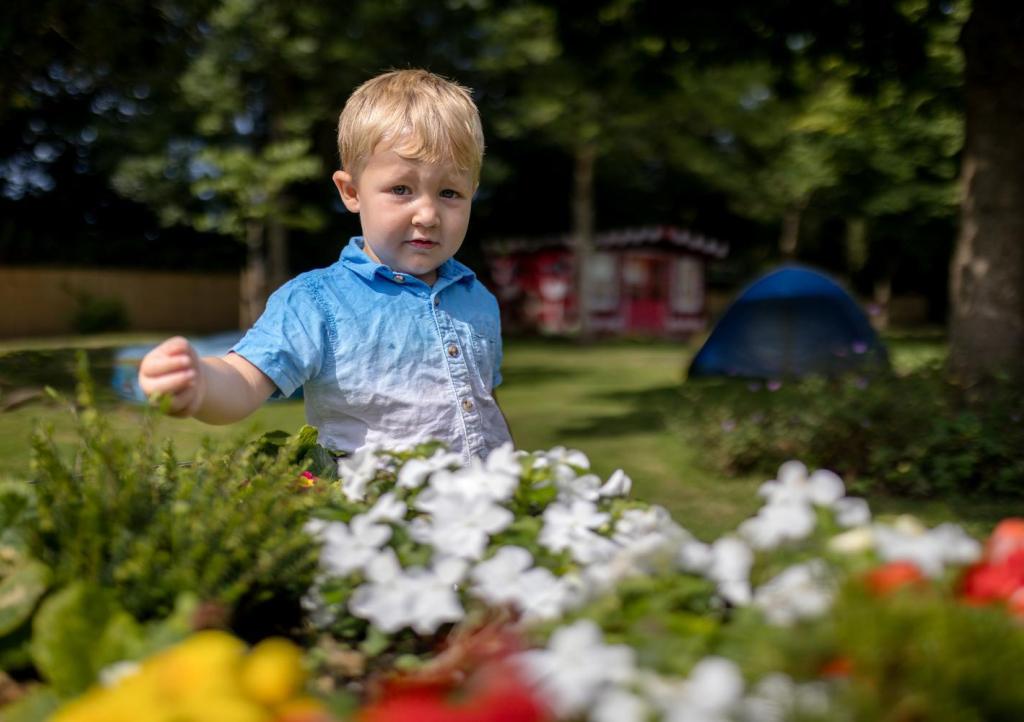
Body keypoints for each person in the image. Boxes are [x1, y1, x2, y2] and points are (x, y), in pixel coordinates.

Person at [138, 69, 512, 463]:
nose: (428, 214)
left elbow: (483, 406)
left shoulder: (477, 298)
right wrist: (201, 383)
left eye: (450, 192)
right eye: (401, 189)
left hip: (485, 511)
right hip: (379, 516)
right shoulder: (317, 302)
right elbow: (245, 380)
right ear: (351, 192)